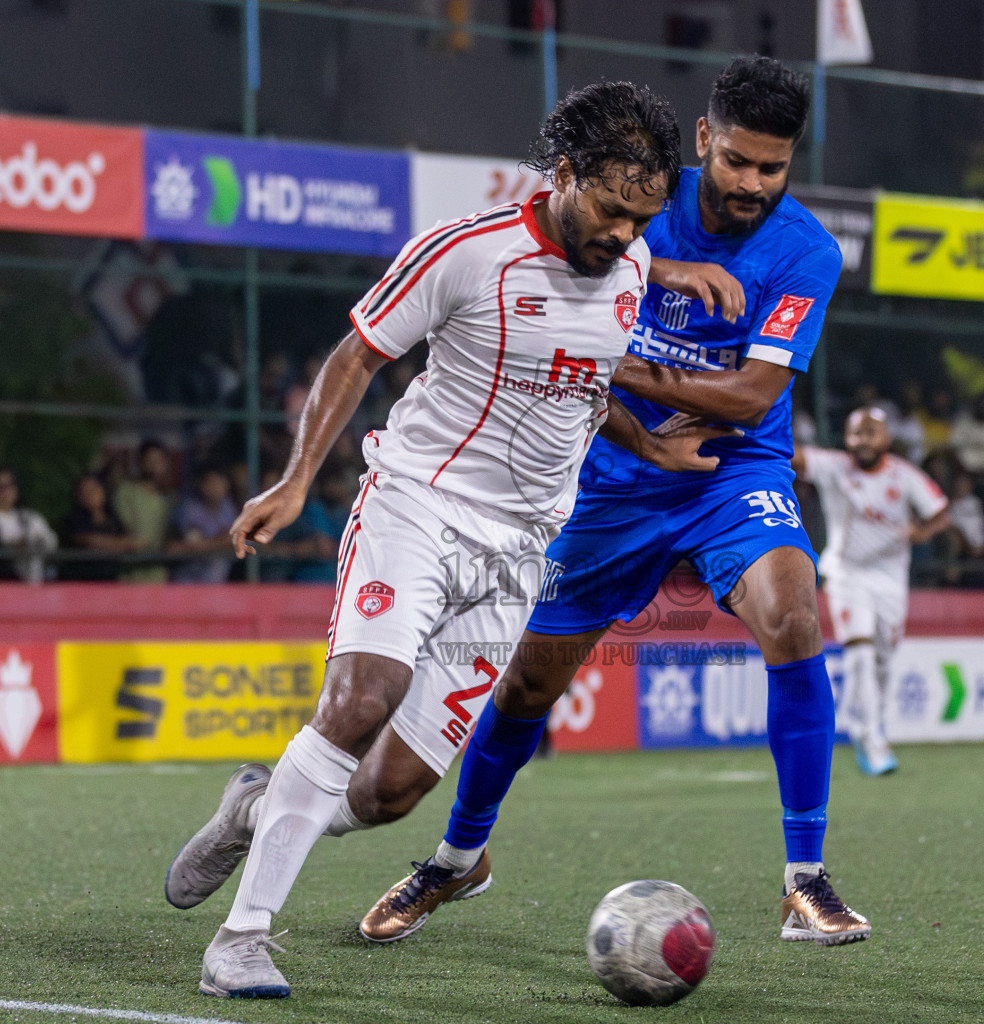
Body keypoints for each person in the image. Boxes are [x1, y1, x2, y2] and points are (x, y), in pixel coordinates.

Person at [166, 81, 712, 999]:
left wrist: (651, 443)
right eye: (615, 211)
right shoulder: (468, 252)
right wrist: (298, 479)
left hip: (515, 556)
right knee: (362, 695)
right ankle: (243, 938)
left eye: (644, 219)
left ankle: (252, 811)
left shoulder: (625, 274)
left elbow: (586, 382)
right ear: (566, 174)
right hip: (416, 507)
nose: (628, 237)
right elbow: (357, 356)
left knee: (389, 795)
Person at [361, 55, 867, 948]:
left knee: (794, 613)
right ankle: (456, 859)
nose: (753, 184)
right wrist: (612, 373)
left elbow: (751, 397)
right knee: (524, 684)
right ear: (704, 139)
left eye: (773, 168)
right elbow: (544, 312)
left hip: (732, 472)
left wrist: (609, 364)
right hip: (610, 479)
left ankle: (806, 878)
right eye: (739, 160)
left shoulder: (806, 251)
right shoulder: (627, 193)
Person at [795, 407, 950, 776]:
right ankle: (870, 738)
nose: (862, 441)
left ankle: (873, 722)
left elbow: (941, 512)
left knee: (882, 659)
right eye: (855, 434)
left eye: (871, 433)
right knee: (860, 653)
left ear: (887, 439)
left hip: (891, 581)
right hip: (847, 575)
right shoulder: (835, 467)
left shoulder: (905, 475)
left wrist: (920, 533)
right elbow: (795, 456)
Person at [0, 467, 58, 584]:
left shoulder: (30, 517)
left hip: (34, 585)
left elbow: (51, 543)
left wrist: (33, 542)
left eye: (10, 486)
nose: (6, 491)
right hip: (1, 585)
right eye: (0, 487)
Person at [60, 474, 142, 582]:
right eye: (84, 491)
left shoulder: (113, 519)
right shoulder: (73, 520)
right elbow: (90, 541)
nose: (90, 494)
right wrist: (121, 545)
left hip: (111, 582)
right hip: (81, 582)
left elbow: (134, 542)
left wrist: (123, 544)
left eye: (93, 489)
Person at [115, 440, 175, 583]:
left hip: (159, 574)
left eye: (159, 460)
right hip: (131, 573)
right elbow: (125, 528)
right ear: (140, 462)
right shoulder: (127, 491)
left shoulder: (170, 498)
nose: (154, 464)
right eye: (150, 459)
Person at [168, 466, 238, 584]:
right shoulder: (189, 509)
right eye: (211, 482)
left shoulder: (228, 507)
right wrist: (222, 541)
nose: (215, 487)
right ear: (201, 485)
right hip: (188, 580)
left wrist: (216, 542)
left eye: (220, 482)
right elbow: (194, 543)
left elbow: (237, 540)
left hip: (217, 583)